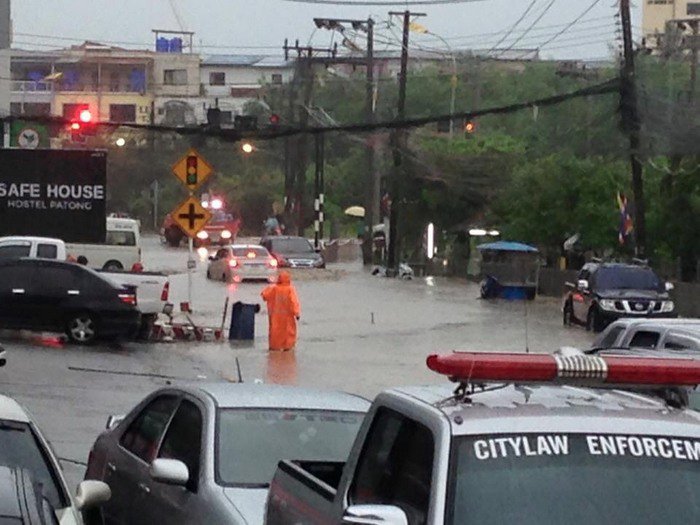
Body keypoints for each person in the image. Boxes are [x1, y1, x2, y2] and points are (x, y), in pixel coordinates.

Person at [261, 271, 300, 351]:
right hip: (287, 317)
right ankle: (287, 348)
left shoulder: (274, 288)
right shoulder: (290, 289)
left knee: (275, 333)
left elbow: (264, 295)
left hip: (275, 316)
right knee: (288, 333)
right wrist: (297, 313)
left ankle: (274, 349)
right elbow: (294, 302)